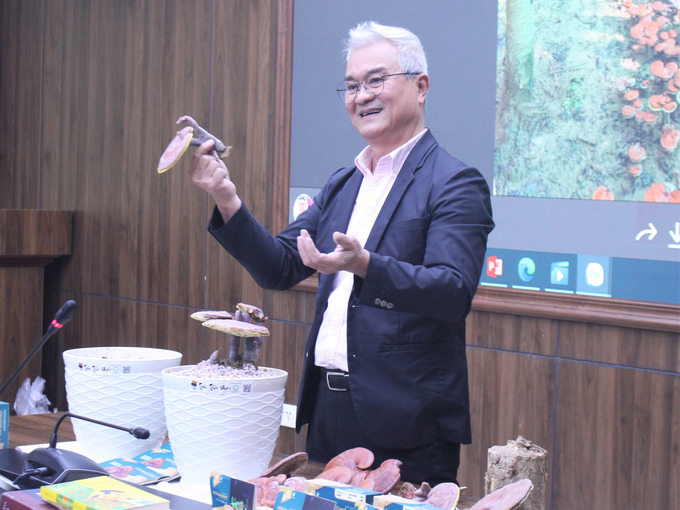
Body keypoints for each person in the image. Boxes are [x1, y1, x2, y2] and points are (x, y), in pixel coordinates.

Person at [189, 21, 494, 485]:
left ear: (421, 85)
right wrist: (226, 198)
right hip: (327, 411)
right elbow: (280, 266)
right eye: (351, 86)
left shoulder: (454, 182)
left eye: (376, 80)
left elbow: (452, 292)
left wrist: (365, 266)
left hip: (407, 419)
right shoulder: (343, 183)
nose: (361, 95)